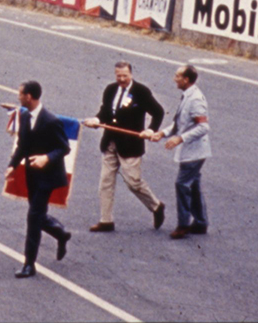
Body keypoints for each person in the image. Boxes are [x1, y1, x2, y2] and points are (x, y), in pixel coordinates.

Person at [83, 61, 166, 233]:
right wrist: (97, 121)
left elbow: (158, 112)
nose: (121, 79)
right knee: (105, 182)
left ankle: (156, 206)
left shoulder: (141, 92)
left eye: (125, 76)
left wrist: (150, 130)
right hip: (110, 142)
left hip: (130, 145)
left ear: (131, 74)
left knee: (133, 183)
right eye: (118, 75)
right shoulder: (110, 90)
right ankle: (106, 221)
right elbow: (105, 112)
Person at [5, 80, 72, 278]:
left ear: (29, 96)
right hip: (32, 175)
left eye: (20, 94)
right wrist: (12, 165)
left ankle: (29, 264)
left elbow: (64, 147)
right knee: (37, 214)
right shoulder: (25, 117)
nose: (18, 97)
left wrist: (46, 158)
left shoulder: (51, 121)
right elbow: (23, 145)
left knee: (33, 218)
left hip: (48, 177)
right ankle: (60, 233)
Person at [146, 65, 211, 239]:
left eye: (177, 76)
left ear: (186, 80)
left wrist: (180, 139)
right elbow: (178, 124)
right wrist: (162, 133)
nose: (174, 79)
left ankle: (183, 224)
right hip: (190, 151)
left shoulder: (195, 99)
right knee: (193, 184)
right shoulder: (187, 96)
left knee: (182, 184)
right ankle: (201, 222)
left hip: (194, 152)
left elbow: (203, 127)